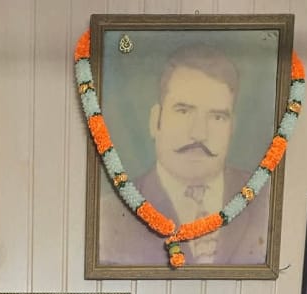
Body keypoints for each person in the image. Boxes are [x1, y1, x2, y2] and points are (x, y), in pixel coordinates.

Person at [97, 44, 269, 268]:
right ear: (155, 121)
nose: (199, 133)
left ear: (231, 128)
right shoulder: (109, 217)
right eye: (183, 111)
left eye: (217, 117)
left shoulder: (265, 202)